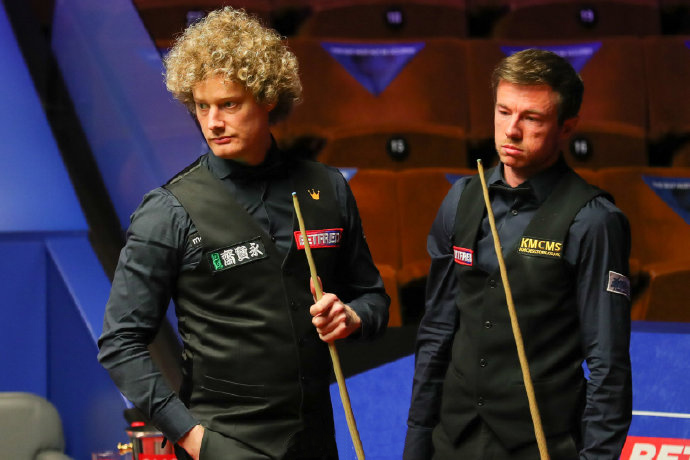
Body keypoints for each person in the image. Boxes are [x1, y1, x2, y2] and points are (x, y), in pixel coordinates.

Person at [97, 7, 389, 460]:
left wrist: (351, 316)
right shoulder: (168, 210)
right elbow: (120, 342)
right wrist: (192, 438)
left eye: (228, 104)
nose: (212, 122)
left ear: (267, 97)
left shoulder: (327, 188)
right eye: (202, 106)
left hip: (314, 442)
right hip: (222, 444)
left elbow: (373, 299)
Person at [404, 49, 632, 460]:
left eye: (532, 118)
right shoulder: (460, 199)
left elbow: (608, 362)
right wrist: (417, 443)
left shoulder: (594, 221)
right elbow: (437, 331)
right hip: (453, 439)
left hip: (542, 444)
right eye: (503, 111)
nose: (511, 130)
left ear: (567, 127)